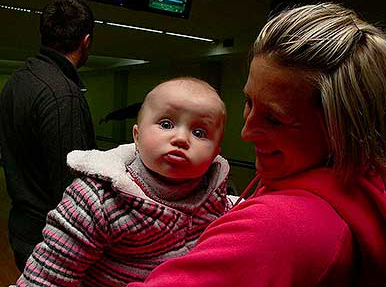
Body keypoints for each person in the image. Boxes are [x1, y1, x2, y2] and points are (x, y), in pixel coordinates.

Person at [125, 3, 386, 287]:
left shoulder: (276, 229)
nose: (246, 131)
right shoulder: (360, 191)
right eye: (249, 102)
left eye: (275, 120)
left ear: (342, 130)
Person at [16, 77, 236, 286]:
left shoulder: (217, 200)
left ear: (216, 152)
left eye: (199, 132)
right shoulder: (96, 199)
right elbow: (49, 275)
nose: (180, 138)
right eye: (166, 124)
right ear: (137, 137)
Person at [0, 0, 96, 272]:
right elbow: (72, 188)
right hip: (51, 240)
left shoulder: (16, 81)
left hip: (23, 229)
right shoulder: (62, 93)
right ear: (86, 41)